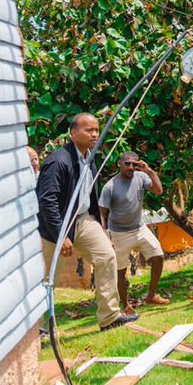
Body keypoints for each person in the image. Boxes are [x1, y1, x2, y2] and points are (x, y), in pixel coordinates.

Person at [36, 113, 137, 331]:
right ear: (73, 133)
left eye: (96, 130)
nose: (94, 134)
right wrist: (60, 235)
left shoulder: (89, 159)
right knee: (49, 275)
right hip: (56, 225)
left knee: (106, 256)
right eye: (88, 130)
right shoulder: (58, 162)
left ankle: (110, 317)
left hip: (82, 220)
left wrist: (102, 230)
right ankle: (40, 328)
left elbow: (90, 198)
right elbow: (47, 201)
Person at [99, 151, 169, 311]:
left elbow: (158, 191)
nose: (131, 167)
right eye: (127, 164)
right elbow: (101, 213)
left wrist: (148, 170)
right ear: (119, 164)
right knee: (121, 271)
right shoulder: (110, 186)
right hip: (118, 233)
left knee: (158, 255)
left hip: (139, 228)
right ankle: (126, 306)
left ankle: (151, 295)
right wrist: (105, 236)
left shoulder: (141, 177)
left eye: (134, 164)